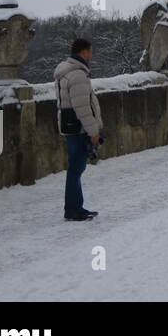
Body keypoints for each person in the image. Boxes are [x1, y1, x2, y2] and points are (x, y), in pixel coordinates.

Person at [54, 37, 103, 221]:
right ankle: (73, 210)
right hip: (79, 128)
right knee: (76, 169)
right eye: (90, 51)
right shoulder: (78, 75)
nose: (91, 55)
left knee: (76, 168)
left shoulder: (67, 72)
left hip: (70, 126)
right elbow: (82, 107)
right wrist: (93, 132)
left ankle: (76, 207)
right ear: (83, 52)